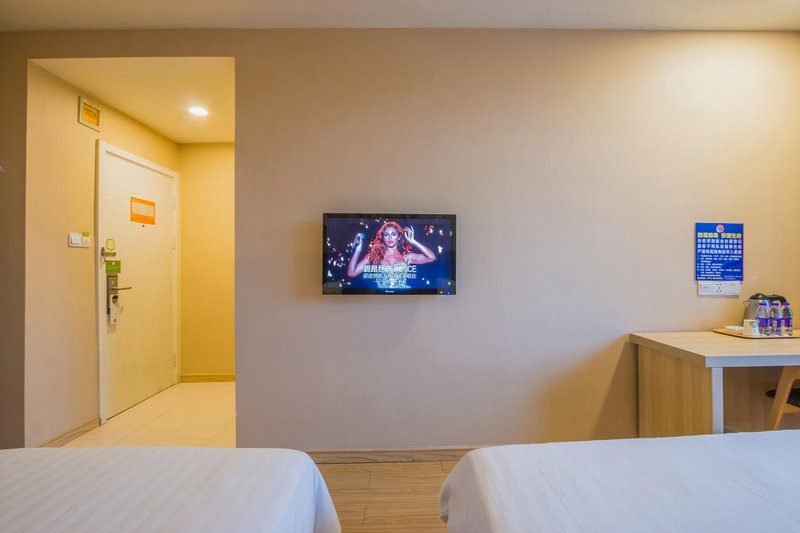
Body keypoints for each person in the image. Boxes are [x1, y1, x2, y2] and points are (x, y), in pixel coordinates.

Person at [347, 221, 436, 288]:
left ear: (398, 237)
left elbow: (431, 257)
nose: (390, 238)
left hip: (403, 299)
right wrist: (358, 250)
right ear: (383, 238)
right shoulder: (375, 256)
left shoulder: (406, 257)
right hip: (380, 299)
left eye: (393, 234)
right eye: (386, 235)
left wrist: (413, 242)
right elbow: (351, 273)